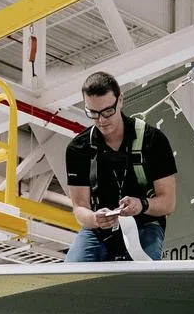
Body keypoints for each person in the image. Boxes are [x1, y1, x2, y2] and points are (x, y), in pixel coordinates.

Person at [64, 71, 178, 262]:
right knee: (71, 276)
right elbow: (79, 207)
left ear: (120, 101)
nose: (101, 120)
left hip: (144, 224)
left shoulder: (153, 141)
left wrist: (141, 205)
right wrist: (93, 219)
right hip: (98, 230)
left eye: (108, 111)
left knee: (139, 278)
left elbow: (168, 204)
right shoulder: (78, 149)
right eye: (93, 113)